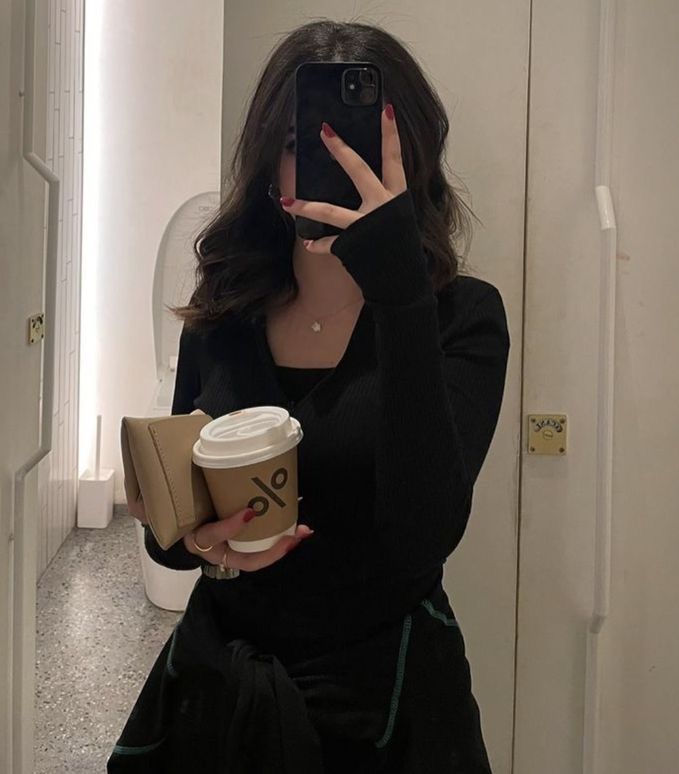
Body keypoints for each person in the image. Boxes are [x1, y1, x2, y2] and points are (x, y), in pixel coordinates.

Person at [109, 19, 510, 774]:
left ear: (413, 159)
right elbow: (175, 536)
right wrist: (194, 541)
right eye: (301, 143)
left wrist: (400, 295)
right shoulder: (225, 311)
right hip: (221, 691)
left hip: (385, 704)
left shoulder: (461, 317)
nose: (331, 166)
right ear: (269, 161)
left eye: (358, 144)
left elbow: (424, 536)